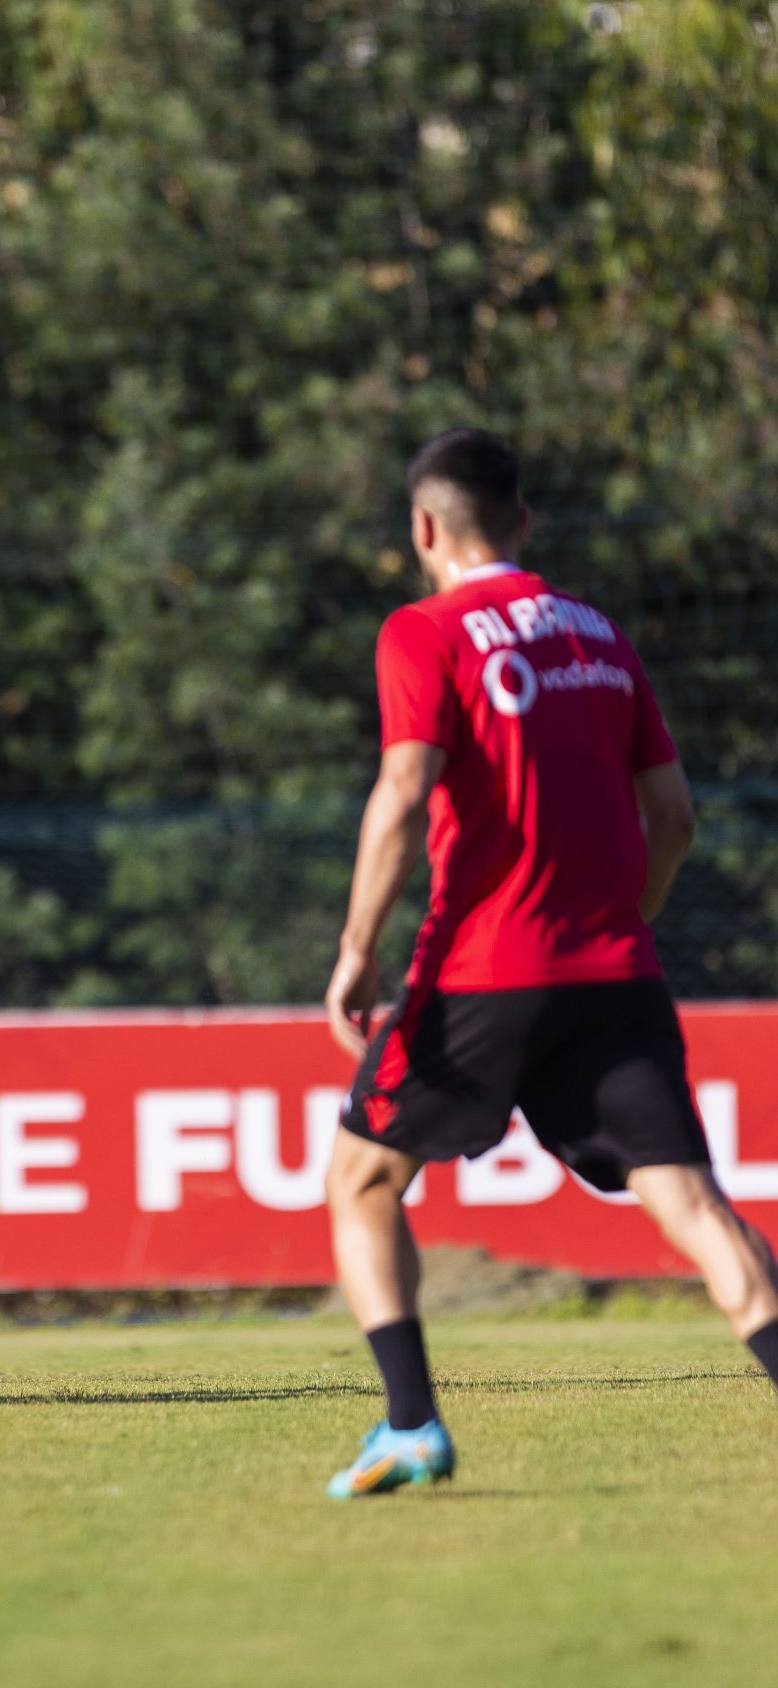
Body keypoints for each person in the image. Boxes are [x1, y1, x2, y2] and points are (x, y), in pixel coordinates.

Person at [320, 428, 778, 1497]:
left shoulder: (423, 632)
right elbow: (673, 817)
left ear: (423, 529)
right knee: (691, 1206)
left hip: (484, 965)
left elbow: (399, 792)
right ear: (522, 523)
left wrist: (354, 950)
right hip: (614, 969)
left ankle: (410, 1426)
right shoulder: (601, 636)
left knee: (361, 1178)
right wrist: (629, 917)